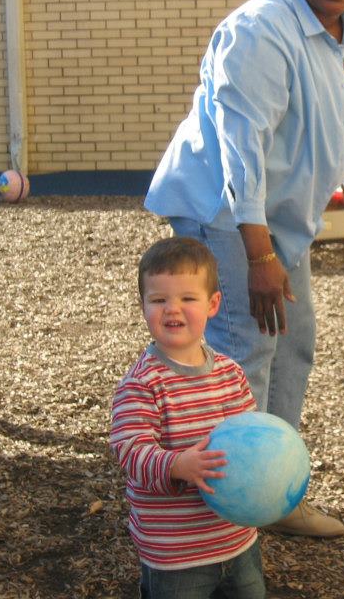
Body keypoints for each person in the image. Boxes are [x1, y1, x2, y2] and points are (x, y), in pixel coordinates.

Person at [144, 0, 344, 538]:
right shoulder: (259, 31)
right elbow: (244, 148)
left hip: (279, 218)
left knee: (292, 343)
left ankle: (274, 491)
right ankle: (227, 499)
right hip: (225, 212)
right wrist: (260, 255)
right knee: (247, 345)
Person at [110, 237, 266, 599]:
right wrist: (179, 465)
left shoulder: (229, 372)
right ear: (143, 306)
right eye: (159, 299)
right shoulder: (142, 384)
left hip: (236, 538)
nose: (172, 309)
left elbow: (251, 435)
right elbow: (130, 452)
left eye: (187, 298)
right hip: (176, 550)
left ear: (213, 304)